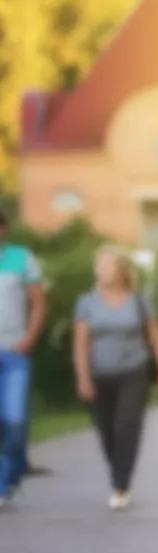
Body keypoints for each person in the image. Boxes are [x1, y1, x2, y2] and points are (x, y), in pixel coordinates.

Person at [72, 245, 158, 510]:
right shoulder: (87, 302)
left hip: (134, 372)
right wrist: (83, 378)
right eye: (100, 265)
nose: (102, 270)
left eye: (109, 265)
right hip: (99, 375)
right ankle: (119, 476)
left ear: (121, 270)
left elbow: (155, 335)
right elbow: (81, 344)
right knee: (107, 432)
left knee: (127, 426)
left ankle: (120, 486)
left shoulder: (138, 300)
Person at [0, 208, 47, 507]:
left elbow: (39, 303)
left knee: (15, 423)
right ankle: (4, 486)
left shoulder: (21, 258)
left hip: (14, 354)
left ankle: (13, 474)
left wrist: (29, 338)